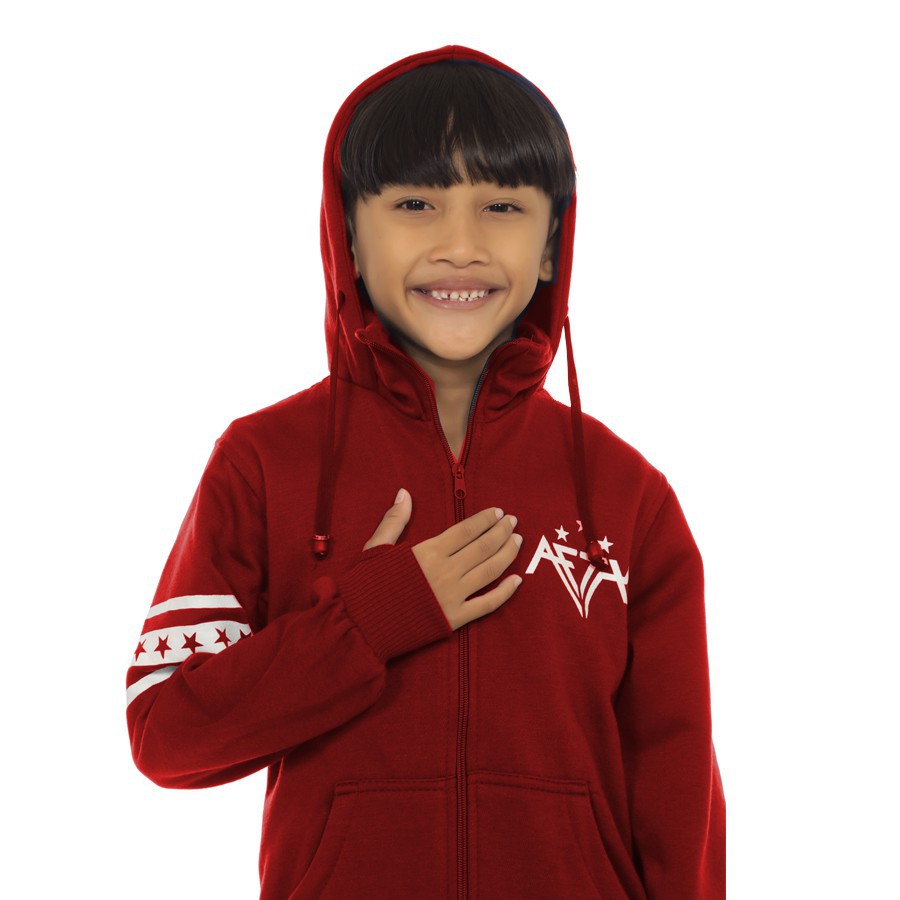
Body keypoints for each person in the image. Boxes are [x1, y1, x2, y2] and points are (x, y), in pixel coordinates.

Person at [126, 45, 725, 898]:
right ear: (349, 235)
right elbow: (167, 730)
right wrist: (367, 622)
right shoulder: (264, 462)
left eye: (502, 206)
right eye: (415, 203)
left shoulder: (629, 495)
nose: (460, 244)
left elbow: (677, 780)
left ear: (552, 245)